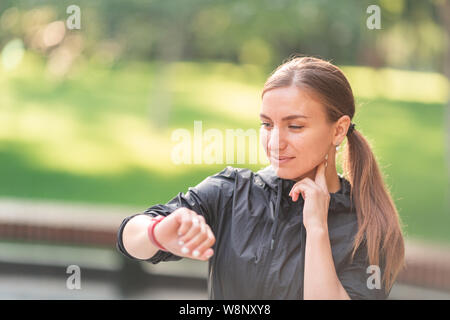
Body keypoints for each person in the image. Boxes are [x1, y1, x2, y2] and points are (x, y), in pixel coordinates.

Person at [116, 55, 405, 300]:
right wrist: (158, 232)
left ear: (339, 130)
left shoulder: (369, 227)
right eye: (267, 124)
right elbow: (130, 237)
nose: (275, 142)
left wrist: (316, 227)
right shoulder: (231, 192)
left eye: (295, 126)